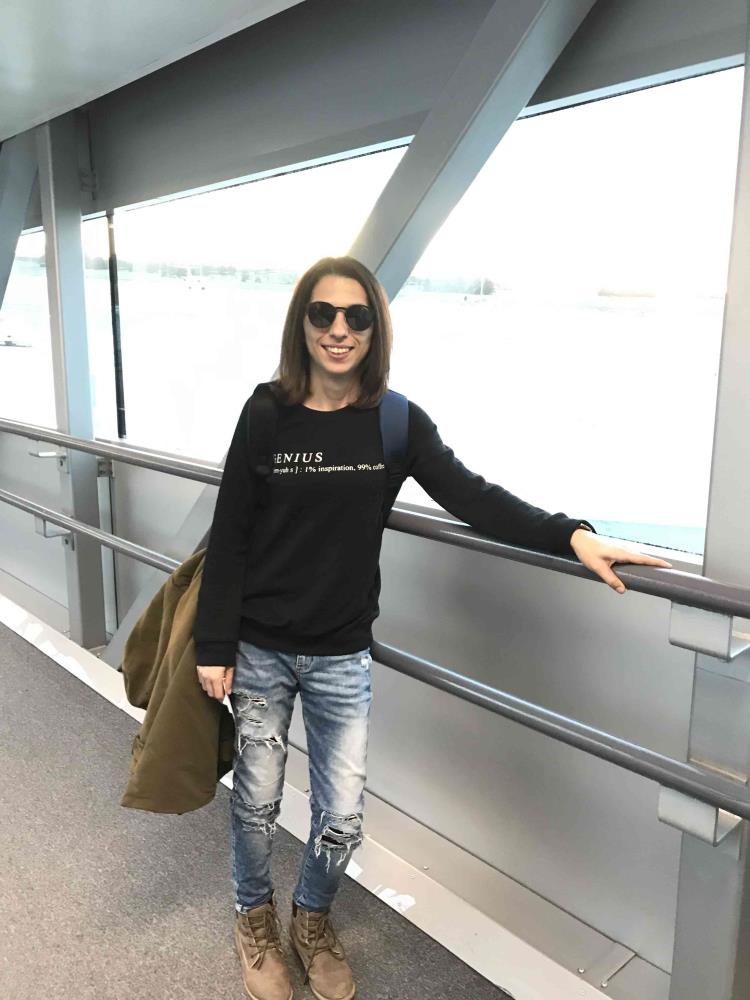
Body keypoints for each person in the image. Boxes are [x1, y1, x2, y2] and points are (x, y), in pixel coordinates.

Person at [193, 255, 672, 1000]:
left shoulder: (394, 422)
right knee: (256, 803)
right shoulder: (265, 414)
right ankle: (252, 920)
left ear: (375, 329)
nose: (340, 329)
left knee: (341, 816)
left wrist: (571, 534)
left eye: (357, 316)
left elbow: (474, 497)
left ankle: (310, 922)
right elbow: (230, 536)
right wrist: (215, 645)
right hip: (259, 649)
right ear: (302, 323)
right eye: (323, 313)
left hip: (340, 653)